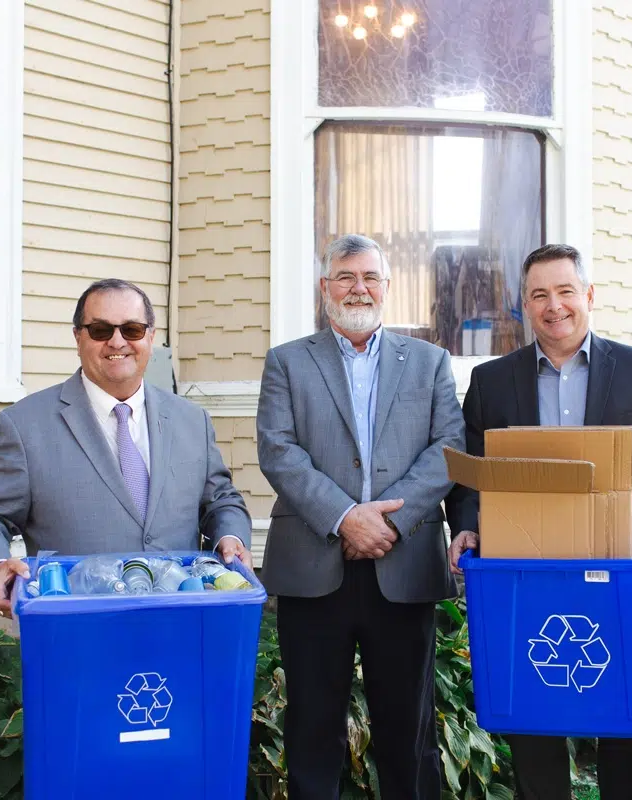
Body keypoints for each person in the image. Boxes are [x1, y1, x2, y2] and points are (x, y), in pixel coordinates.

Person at [445, 244, 632, 800]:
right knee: (535, 722)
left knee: (628, 729)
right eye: (539, 295)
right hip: (527, 574)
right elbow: (470, 475)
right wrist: (466, 525)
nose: (554, 306)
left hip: (621, 574)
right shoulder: (492, 383)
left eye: (566, 291)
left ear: (588, 296)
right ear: (523, 306)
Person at [256, 234, 465, 799]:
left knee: (409, 730)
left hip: (403, 567)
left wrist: (388, 523)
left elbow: (448, 448)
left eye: (370, 277)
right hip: (314, 568)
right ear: (326, 288)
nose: (359, 287)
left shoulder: (430, 362)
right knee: (311, 728)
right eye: (346, 276)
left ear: (388, 288)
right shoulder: (288, 362)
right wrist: (347, 517)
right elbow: (277, 451)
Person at [0, 278, 252, 616]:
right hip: (77, 630)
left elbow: (220, 501)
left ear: (150, 337)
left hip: (181, 623)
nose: (117, 341)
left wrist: (231, 537)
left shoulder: (191, 420)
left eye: (132, 330)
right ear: (78, 337)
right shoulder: (24, 426)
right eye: (100, 330)